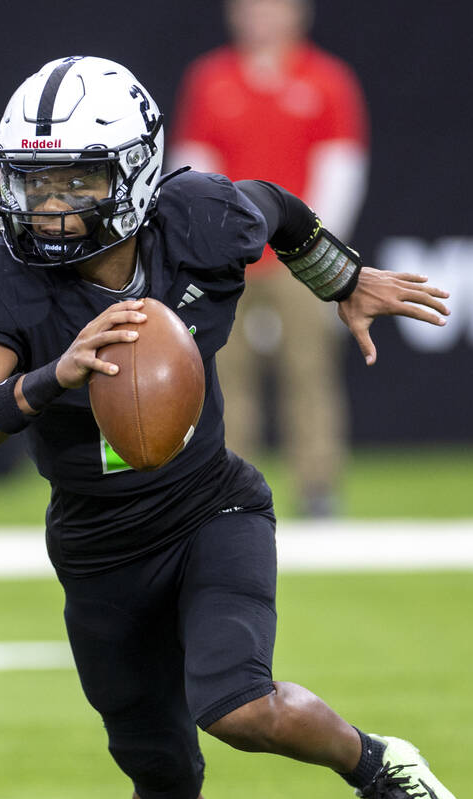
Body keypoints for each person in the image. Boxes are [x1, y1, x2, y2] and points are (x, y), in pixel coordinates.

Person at [0, 55, 460, 799]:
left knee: (238, 704)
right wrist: (55, 376)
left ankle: (375, 767)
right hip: (97, 549)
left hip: (213, 504)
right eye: (34, 179)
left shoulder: (200, 217)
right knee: (160, 776)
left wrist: (345, 280)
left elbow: (281, 211)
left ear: (132, 171)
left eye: (77, 179)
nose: (51, 204)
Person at [171, 0, 368, 517]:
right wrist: (212, 243)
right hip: (229, 257)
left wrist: (312, 247)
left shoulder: (326, 80)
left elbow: (341, 171)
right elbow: (194, 167)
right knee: (223, 376)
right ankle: (229, 488)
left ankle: (318, 487)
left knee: (309, 370)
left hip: (297, 257)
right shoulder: (211, 79)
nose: (259, 18)